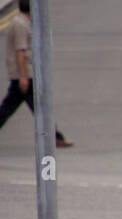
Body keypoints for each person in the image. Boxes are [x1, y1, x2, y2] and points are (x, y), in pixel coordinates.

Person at [0, 0, 71, 145]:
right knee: (39, 107)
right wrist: (23, 77)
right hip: (24, 74)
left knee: (11, 107)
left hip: (24, 74)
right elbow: (20, 51)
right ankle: (55, 136)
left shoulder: (22, 22)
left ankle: (55, 135)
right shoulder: (20, 24)